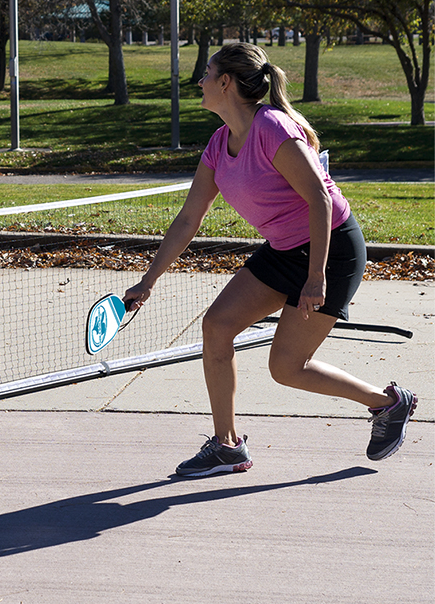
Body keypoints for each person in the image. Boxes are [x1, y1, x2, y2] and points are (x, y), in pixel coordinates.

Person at [123, 42, 417, 477]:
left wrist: (315, 277)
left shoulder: (273, 128)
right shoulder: (219, 143)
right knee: (217, 326)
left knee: (286, 368)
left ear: (226, 82)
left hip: (331, 248)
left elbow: (319, 198)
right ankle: (227, 447)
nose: (200, 81)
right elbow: (188, 219)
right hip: (283, 249)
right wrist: (148, 281)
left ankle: (389, 403)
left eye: (207, 72)